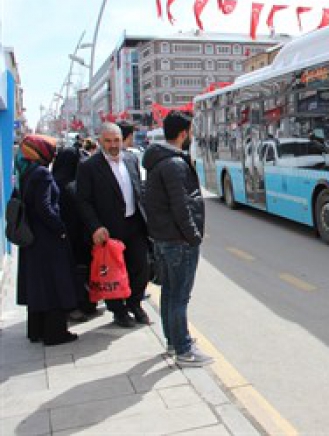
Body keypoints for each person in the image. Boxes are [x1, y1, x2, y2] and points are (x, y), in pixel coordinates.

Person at [143, 111, 213, 367]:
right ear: (184, 133)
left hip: (164, 238)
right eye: (191, 131)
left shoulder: (158, 160)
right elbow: (181, 205)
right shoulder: (174, 164)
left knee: (171, 293)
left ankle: (174, 342)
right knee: (179, 296)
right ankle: (184, 349)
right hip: (178, 240)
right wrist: (193, 236)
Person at [76, 122, 150, 328]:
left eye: (116, 140)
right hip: (108, 229)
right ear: (100, 142)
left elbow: (139, 190)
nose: (113, 145)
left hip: (134, 224)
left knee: (140, 267)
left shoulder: (131, 159)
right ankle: (119, 311)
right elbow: (83, 201)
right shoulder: (89, 167)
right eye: (108, 141)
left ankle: (135, 304)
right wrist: (95, 227)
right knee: (113, 273)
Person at [15, 135, 78, 345]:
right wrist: (59, 228)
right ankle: (55, 333)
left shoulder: (26, 171)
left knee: (39, 285)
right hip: (47, 239)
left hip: (33, 238)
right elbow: (45, 207)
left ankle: (38, 330)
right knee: (55, 284)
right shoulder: (42, 174)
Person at [52, 147, 97, 322]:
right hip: (77, 238)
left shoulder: (53, 181)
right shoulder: (73, 185)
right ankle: (79, 305)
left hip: (59, 238)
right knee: (79, 273)